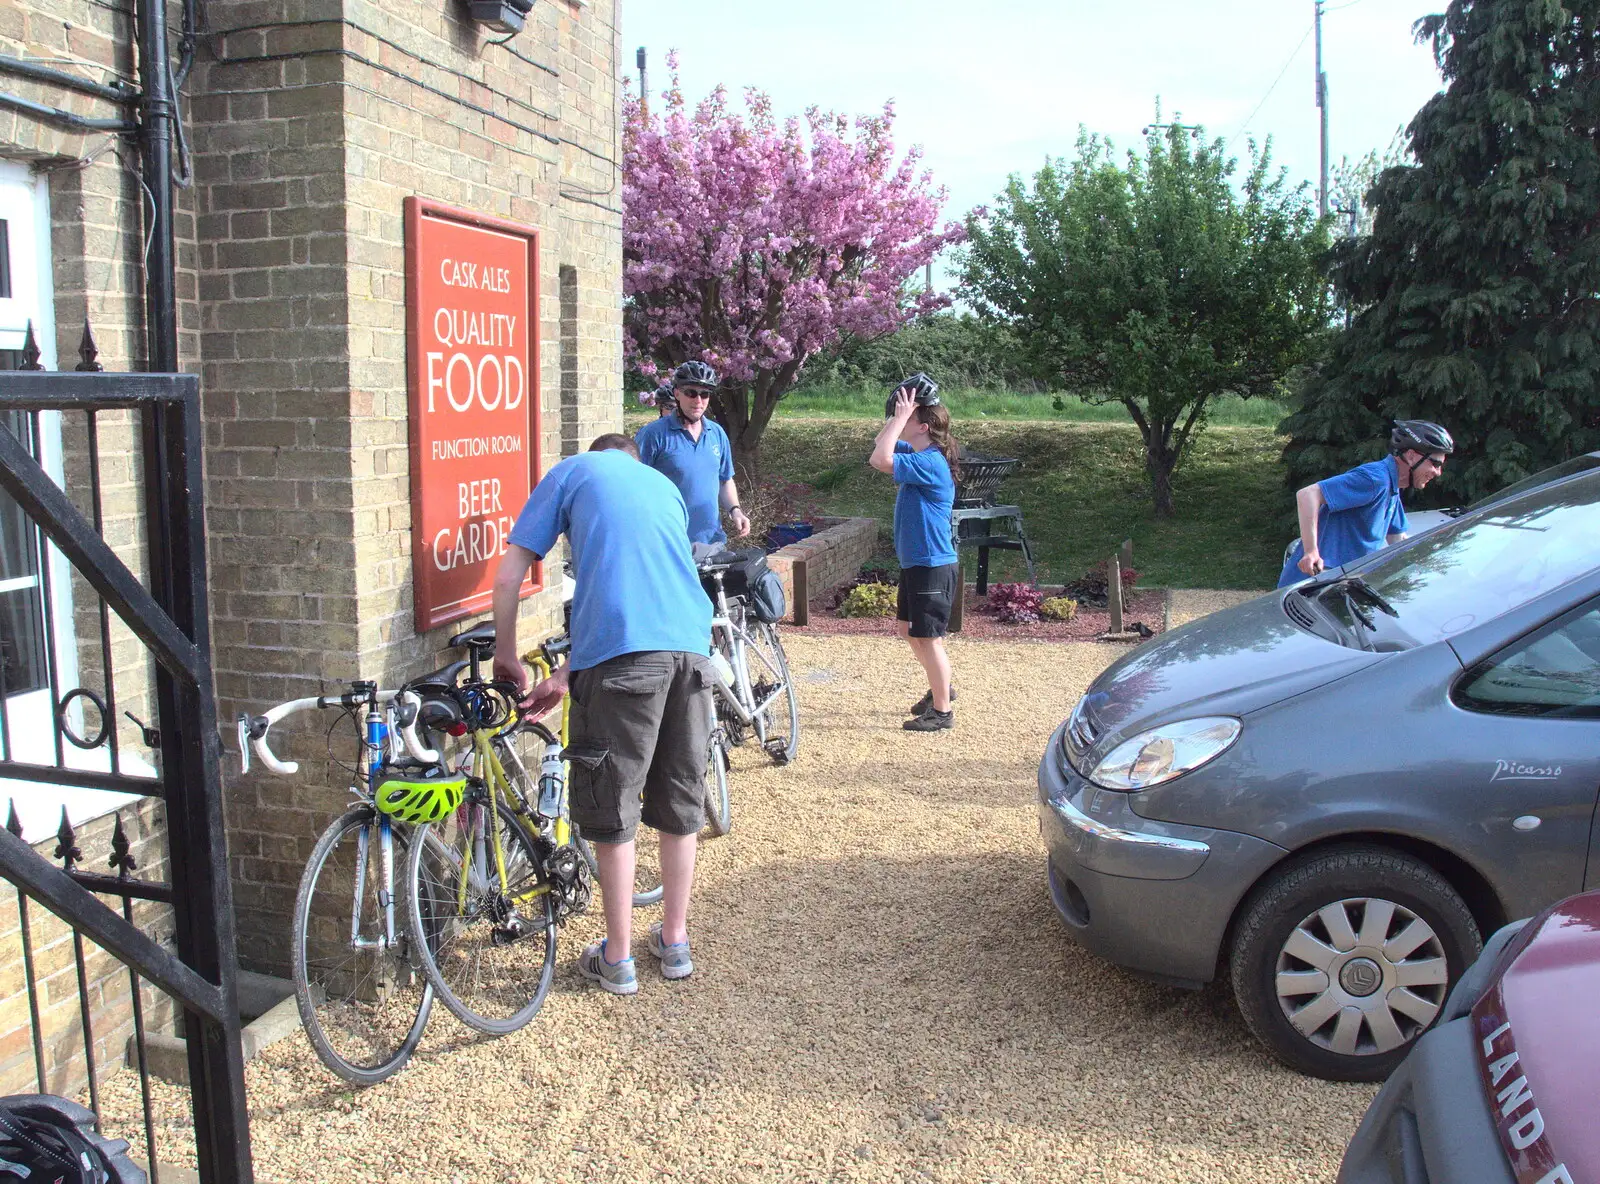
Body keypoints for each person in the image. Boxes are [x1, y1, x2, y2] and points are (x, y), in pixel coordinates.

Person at [491, 433, 713, 995]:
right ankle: (675, 941)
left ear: (598, 455)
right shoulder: (663, 485)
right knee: (679, 796)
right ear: (632, 460)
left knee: (613, 804)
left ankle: (617, 958)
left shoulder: (571, 472)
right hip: (691, 652)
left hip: (626, 664)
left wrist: (505, 654)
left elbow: (512, 569)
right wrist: (570, 675)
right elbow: (648, 602)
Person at [869, 373, 961, 732]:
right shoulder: (919, 450)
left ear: (922, 426)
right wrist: (897, 416)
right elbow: (878, 447)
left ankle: (941, 713)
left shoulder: (930, 462)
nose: (899, 421)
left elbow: (880, 460)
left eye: (906, 418)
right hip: (918, 563)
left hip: (932, 564)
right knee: (908, 630)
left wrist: (900, 418)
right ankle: (942, 688)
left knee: (928, 636)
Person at [1278, 419, 1455, 588]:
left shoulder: (1391, 487)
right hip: (1306, 588)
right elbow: (1307, 495)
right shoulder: (1375, 479)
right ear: (1411, 456)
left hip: (1336, 588)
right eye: (1435, 464)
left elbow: (1397, 539)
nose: (1438, 472)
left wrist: (1432, 558)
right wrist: (1311, 552)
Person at [635, 360, 751, 545]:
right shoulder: (653, 435)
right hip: (668, 542)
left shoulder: (717, 433)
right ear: (677, 394)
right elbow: (635, 486)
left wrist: (735, 509)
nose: (698, 401)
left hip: (711, 540)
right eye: (691, 393)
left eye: (705, 394)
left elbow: (724, 479)